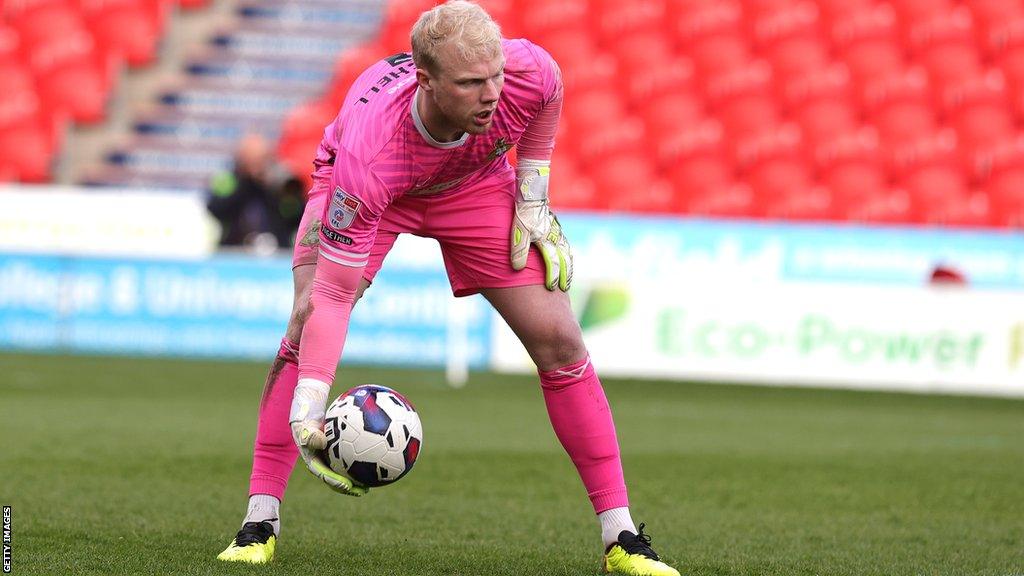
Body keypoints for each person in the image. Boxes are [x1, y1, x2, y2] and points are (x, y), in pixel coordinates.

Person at [216, 2, 679, 575]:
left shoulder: (526, 71)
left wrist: (533, 199)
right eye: (470, 83)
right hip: (376, 187)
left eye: (495, 76)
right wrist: (309, 412)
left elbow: (548, 95)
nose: (490, 94)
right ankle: (260, 521)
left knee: (561, 342)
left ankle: (622, 538)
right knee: (307, 314)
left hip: (473, 186)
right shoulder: (371, 153)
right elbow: (334, 298)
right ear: (426, 79)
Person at [207, 133, 305, 248]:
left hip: (277, 251)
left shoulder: (278, 183)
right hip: (234, 250)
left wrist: (274, 189)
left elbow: (296, 216)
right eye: (252, 159)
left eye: (261, 158)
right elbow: (216, 209)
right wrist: (246, 181)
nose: (257, 164)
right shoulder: (229, 179)